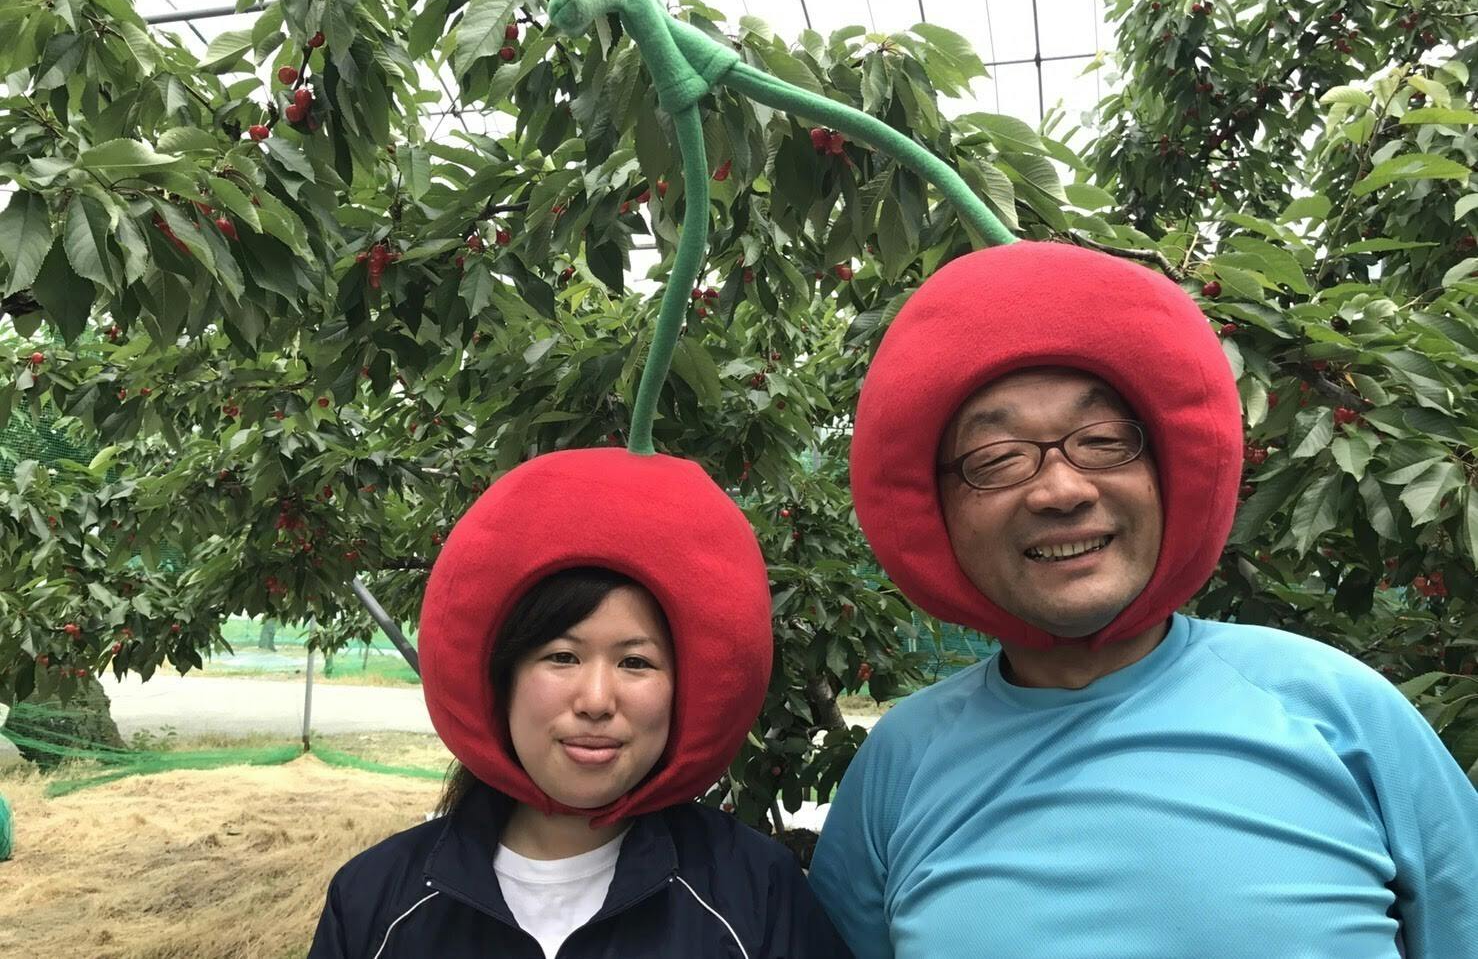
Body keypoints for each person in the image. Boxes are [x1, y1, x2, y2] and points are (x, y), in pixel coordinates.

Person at [810, 241, 1478, 959]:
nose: (1061, 490)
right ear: (935, 508)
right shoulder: (898, 767)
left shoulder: (1339, 710)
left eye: (1103, 441)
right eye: (997, 458)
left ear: (1167, 468)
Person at [309, 449, 850, 958]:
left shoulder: (755, 896)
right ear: (503, 679)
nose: (595, 701)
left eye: (635, 662)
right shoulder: (376, 902)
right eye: (562, 657)